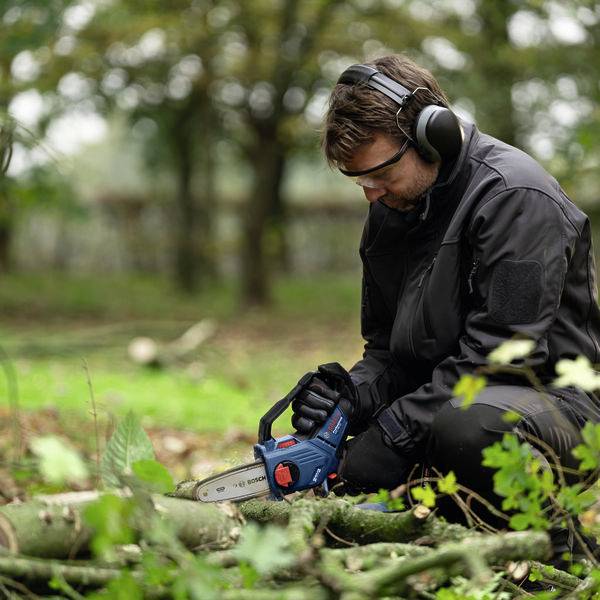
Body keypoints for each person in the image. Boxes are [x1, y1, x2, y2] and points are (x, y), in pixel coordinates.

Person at [289, 54, 600, 527]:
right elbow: (387, 350)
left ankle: (547, 549)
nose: (371, 193)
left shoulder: (516, 198)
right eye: (359, 180)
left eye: (380, 173)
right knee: (431, 423)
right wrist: (351, 397)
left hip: (558, 406)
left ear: (432, 136)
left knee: (469, 423)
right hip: (446, 400)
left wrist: (395, 432)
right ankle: (433, 523)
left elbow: (502, 355)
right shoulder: (390, 213)